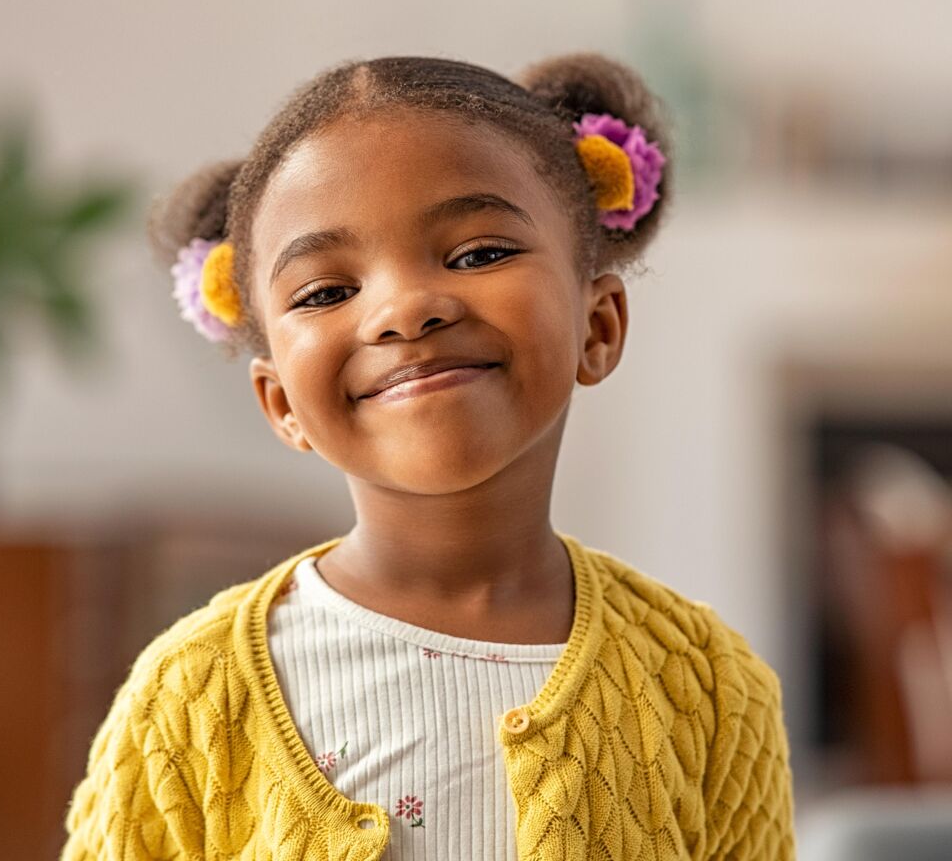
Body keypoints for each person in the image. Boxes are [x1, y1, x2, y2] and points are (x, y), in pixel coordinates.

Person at [60, 54, 796, 860]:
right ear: (279, 402)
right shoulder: (188, 698)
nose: (404, 310)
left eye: (478, 253)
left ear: (599, 326)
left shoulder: (712, 689)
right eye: (326, 292)